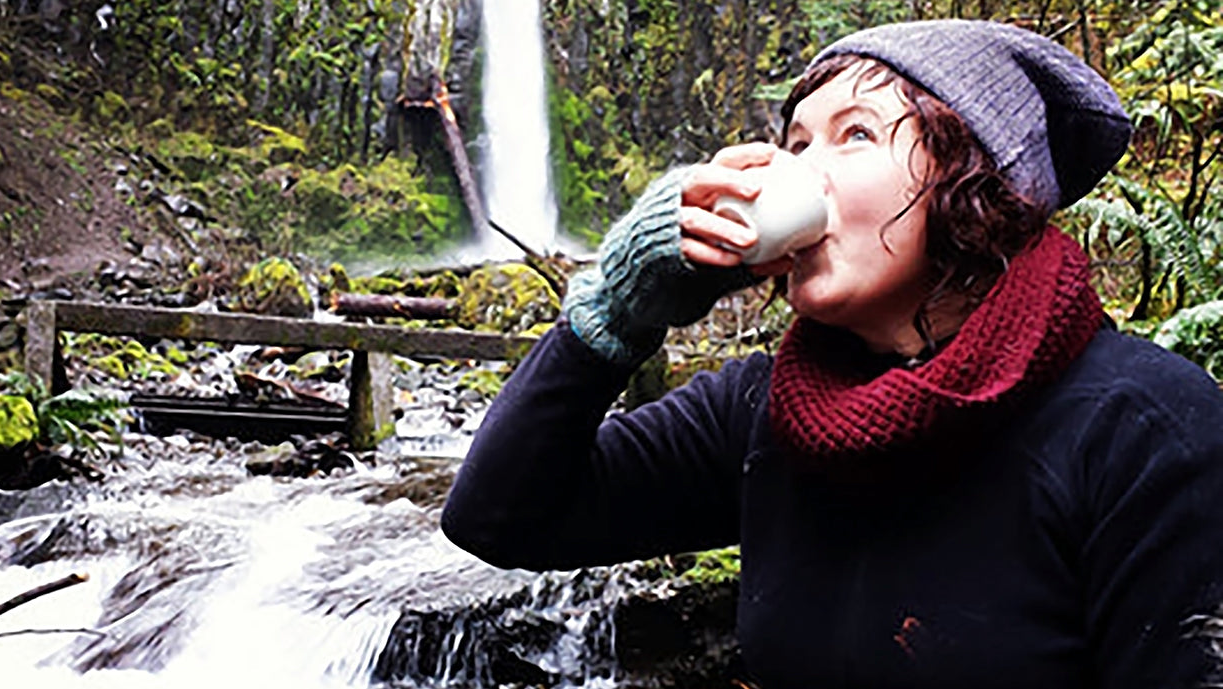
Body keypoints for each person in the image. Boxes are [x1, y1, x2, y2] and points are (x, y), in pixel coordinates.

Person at [441, 18, 1223, 689]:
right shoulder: (766, 409)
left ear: (979, 184)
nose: (799, 172)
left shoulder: (1149, 432)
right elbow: (503, 518)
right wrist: (616, 308)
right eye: (794, 142)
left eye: (856, 134)